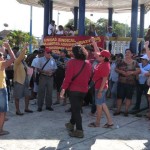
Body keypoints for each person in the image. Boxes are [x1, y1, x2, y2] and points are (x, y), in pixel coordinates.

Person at [60, 45, 92, 138]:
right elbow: (89, 77)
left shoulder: (71, 62)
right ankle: (71, 124)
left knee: (76, 110)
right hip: (84, 90)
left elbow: (68, 78)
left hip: (74, 90)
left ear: (74, 53)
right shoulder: (88, 63)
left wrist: (63, 90)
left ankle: (79, 130)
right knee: (76, 108)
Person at [88, 50, 113, 128]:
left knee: (99, 105)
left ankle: (97, 123)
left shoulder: (105, 65)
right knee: (102, 104)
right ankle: (110, 122)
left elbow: (105, 79)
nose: (99, 56)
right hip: (99, 87)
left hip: (100, 88)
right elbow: (97, 51)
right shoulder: (103, 63)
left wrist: (100, 91)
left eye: (100, 56)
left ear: (104, 57)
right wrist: (94, 43)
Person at [114, 49, 141, 116]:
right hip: (121, 82)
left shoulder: (135, 62)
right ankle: (118, 110)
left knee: (128, 97)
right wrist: (121, 72)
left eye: (128, 53)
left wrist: (131, 72)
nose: (127, 54)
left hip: (130, 83)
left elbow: (139, 71)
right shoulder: (121, 61)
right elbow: (116, 69)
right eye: (126, 53)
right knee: (119, 97)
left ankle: (126, 111)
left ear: (132, 54)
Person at [0, 42, 15, 136]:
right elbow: (13, 59)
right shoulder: (1, 64)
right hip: (1, 90)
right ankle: (0, 130)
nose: (3, 57)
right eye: (1, 56)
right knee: (2, 111)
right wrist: (9, 47)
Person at [13, 44, 33, 115]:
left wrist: (30, 70)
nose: (23, 56)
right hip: (19, 81)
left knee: (27, 95)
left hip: (25, 81)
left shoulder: (23, 62)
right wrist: (24, 48)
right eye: (21, 55)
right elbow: (21, 56)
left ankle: (26, 108)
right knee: (17, 97)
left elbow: (27, 70)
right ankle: (17, 110)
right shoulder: (16, 62)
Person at [37, 48, 57, 112]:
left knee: (49, 92)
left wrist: (52, 72)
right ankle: (40, 106)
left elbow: (55, 68)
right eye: (48, 53)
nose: (49, 54)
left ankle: (48, 106)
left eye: (50, 53)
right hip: (43, 77)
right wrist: (45, 72)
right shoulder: (40, 60)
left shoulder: (52, 60)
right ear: (45, 53)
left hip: (50, 78)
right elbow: (38, 69)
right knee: (41, 92)